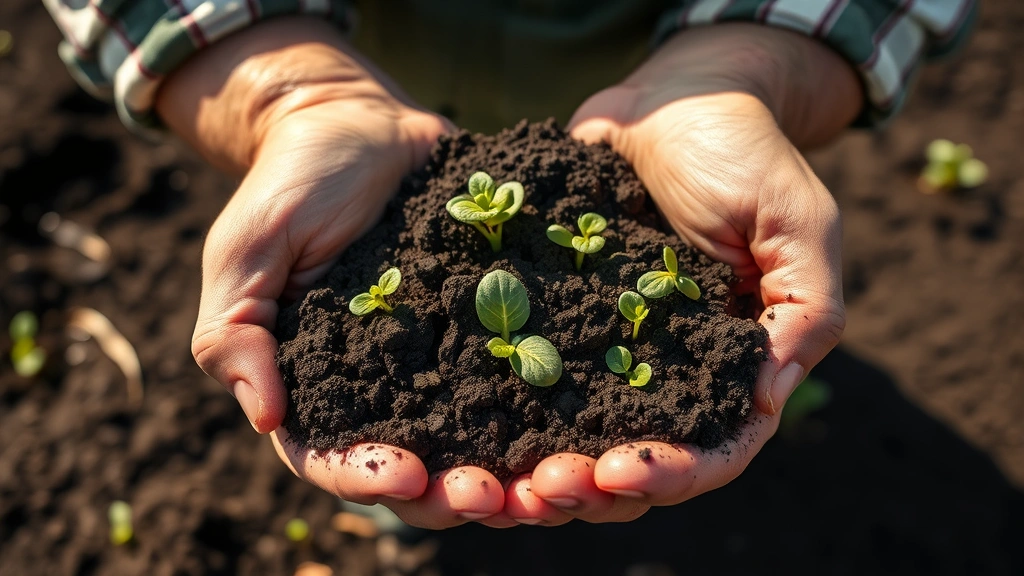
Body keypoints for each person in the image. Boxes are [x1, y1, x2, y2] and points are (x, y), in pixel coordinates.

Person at [45, 0, 977, 529]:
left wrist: (747, 64)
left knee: (718, 342)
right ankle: (399, 512)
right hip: (336, 34)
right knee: (397, 469)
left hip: (669, 57)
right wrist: (289, 91)